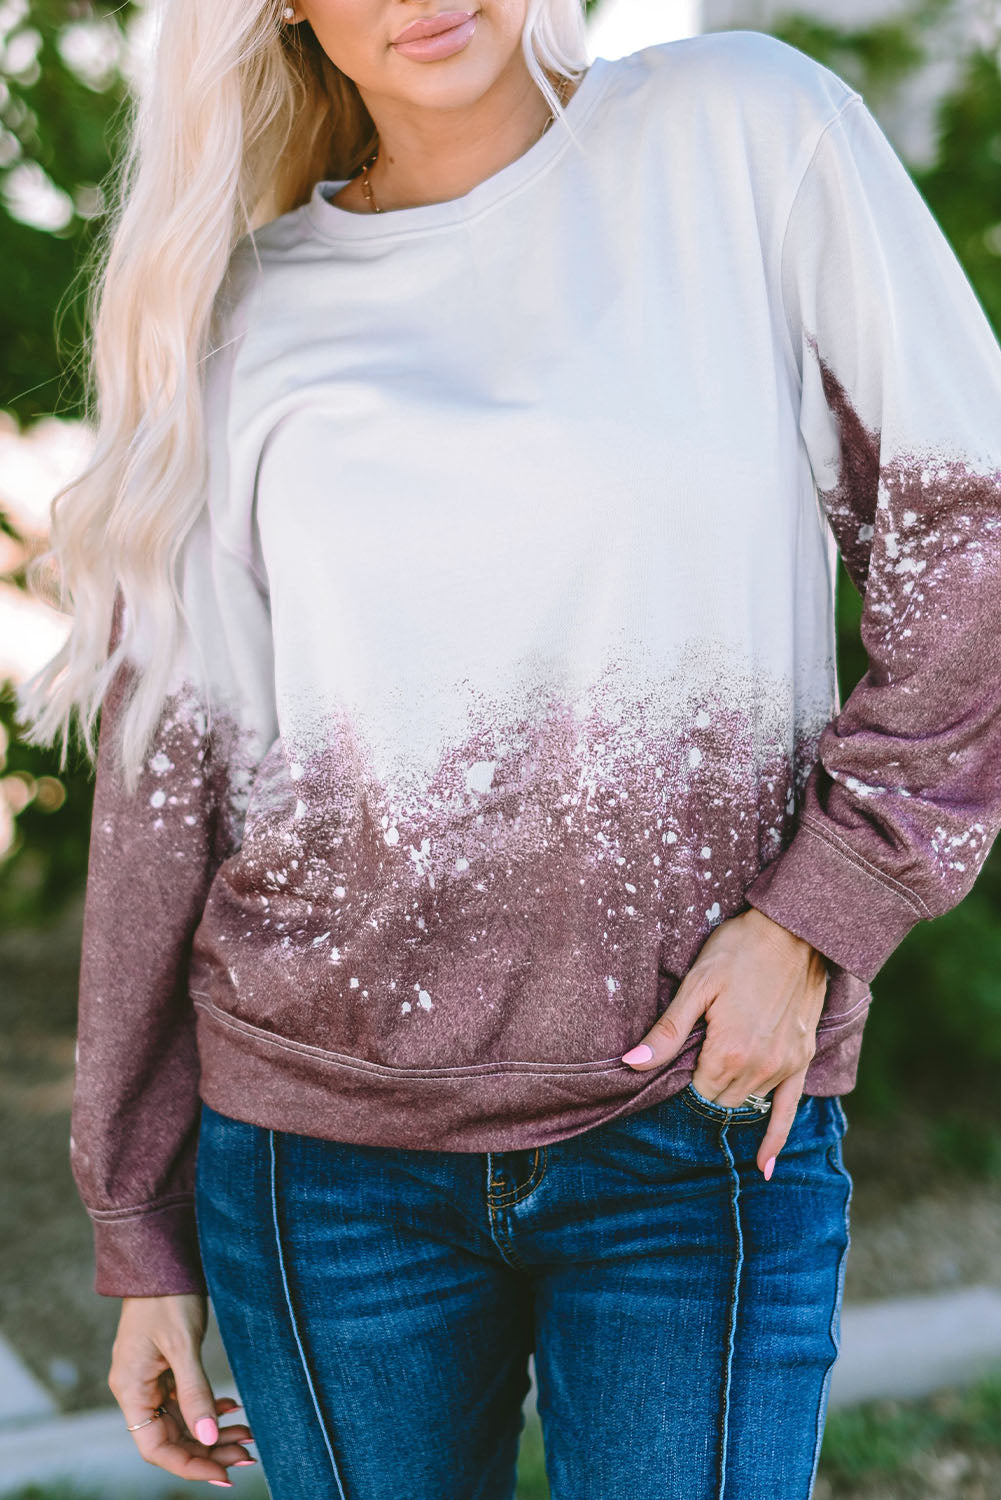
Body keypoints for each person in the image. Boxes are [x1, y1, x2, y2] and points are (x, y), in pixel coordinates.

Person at [17, 0, 1001, 1494]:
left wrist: (817, 918)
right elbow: (174, 796)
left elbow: (968, 530)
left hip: (696, 1115)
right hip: (321, 1161)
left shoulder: (741, 135)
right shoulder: (234, 316)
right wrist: (137, 1222)